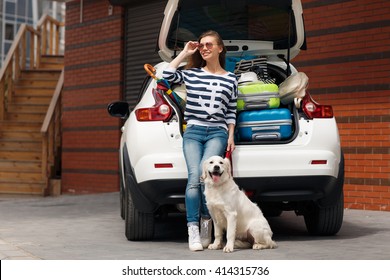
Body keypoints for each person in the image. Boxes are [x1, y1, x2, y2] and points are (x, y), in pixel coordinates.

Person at [162, 30, 238, 251]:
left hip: (217, 132)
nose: (204, 48)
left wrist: (231, 135)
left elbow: (231, 110)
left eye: (209, 45)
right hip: (194, 131)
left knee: (208, 177)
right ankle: (193, 229)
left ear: (220, 48)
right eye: (202, 45)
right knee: (195, 177)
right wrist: (185, 53)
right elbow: (167, 76)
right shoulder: (192, 74)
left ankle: (208, 226)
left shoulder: (231, 78)